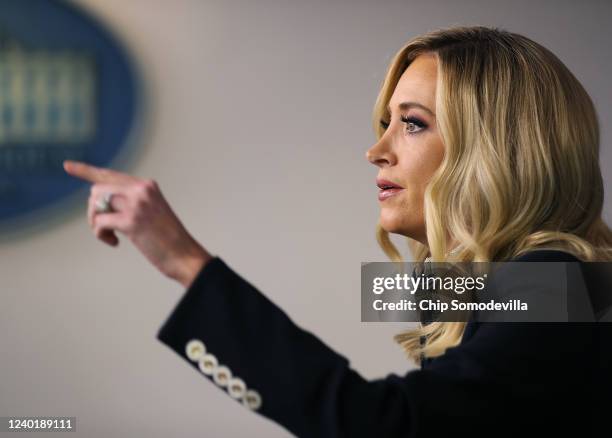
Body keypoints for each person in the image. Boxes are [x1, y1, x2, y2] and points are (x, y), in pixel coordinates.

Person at [64, 25, 612, 437]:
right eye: (386, 124)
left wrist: (184, 261)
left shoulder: (561, 285)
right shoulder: (526, 287)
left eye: (413, 123)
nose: (377, 152)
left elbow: (379, 425)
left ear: (498, 149)